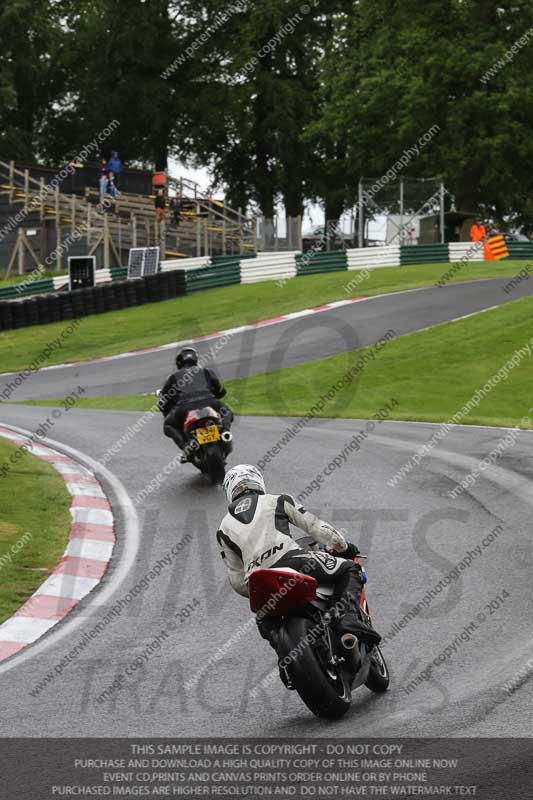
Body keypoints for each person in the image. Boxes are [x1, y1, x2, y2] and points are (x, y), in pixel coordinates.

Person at [217, 464, 381, 647]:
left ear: (230, 490)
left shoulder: (223, 528)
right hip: (292, 561)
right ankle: (348, 619)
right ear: (257, 481)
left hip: (257, 581)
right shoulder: (277, 500)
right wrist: (343, 547)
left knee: (264, 620)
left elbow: (236, 578)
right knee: (351, 569)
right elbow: (315, 527)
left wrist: (254, 590)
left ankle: (284, 658)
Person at [158, 346, 233, 462]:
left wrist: (167, 410)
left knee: (168, 425)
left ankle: (186, 448)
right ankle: (224, 431)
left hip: (184, 407)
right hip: (210, 402)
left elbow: (163, 402)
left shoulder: (173, 377)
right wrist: (212, 397)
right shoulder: (206, 371)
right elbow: (221, 391)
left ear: (179, 361)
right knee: (227, 411)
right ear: (196, 359)